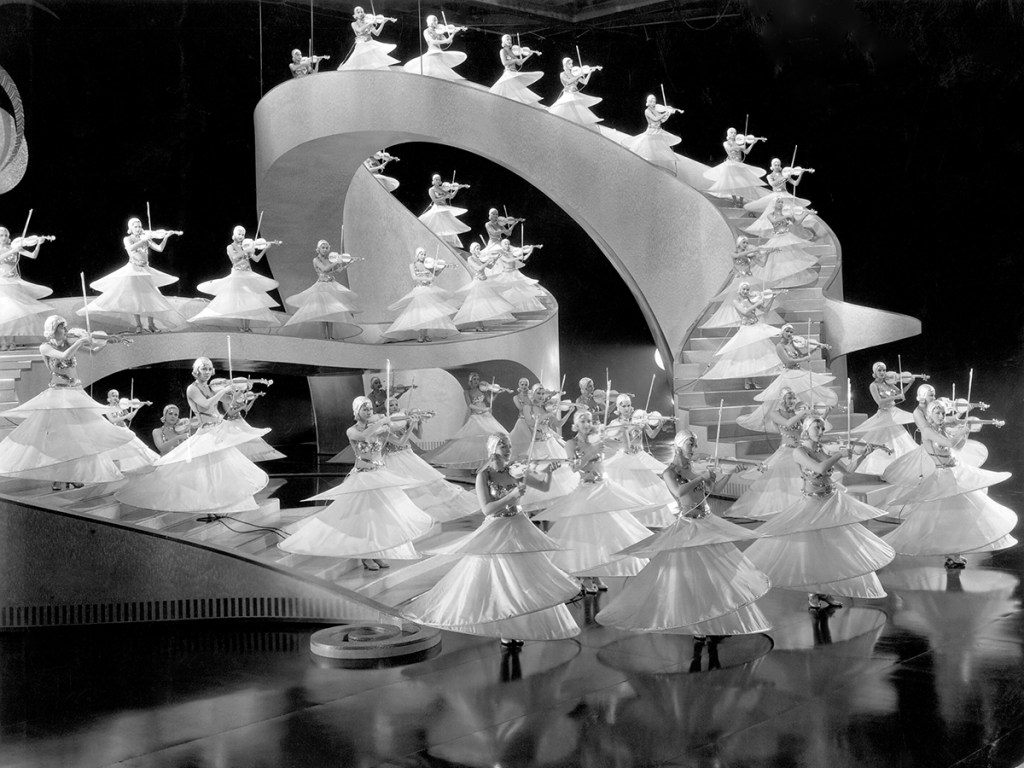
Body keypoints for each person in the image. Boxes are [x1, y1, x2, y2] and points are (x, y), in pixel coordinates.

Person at [403, 433, 579, 646]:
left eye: (509, 445)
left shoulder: (515, 469)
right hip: (498, 527)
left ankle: (519, 624)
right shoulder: (484, 475)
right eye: (503, 445)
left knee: (523, 579)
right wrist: (511, 496)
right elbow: (487, 509)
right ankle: (504, 626)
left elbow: (543, 487)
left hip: (518, 525)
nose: (508, 449)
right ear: (492, 448)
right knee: (500, 581)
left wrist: (548, 473)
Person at [596, 430, 772, 637]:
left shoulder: (693, 469)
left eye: (695, 444)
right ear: (679, 446)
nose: (694, 448)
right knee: (692, 578)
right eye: (691, 444)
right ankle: (697, 623)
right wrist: (701, 478)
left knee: (716, 574)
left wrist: (729, 473)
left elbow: (712, 490)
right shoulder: (669, 472)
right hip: (689, 526)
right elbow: (678, 492)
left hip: (706, 523)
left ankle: (713, 616)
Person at [744, 415, 896, 610]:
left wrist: (863, 455)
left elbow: (848, 471)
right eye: (817, 427)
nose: (821, 432)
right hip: (812, 503)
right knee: (813, 552)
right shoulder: (799, 451)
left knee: (830, 550)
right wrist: (839, 454)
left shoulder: (822, 450)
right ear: (806, 429)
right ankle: (813, 592)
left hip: (830, 501)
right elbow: (820, 468)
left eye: (823, 428)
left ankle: (825, 591)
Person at [278, 396, 434, 570]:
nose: (369, 412)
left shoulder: (380, 427)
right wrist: (382, 422)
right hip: (363, 477)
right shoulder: (352, 431)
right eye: (365, 409)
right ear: (356, 412)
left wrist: (411, 424)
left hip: (379, 475)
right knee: (364, 518)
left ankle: (376, 553)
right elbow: (365, 435)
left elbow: (400, 442)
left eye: (370, 409)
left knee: (379, 517)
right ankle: (365, 556)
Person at [115, 357, 271, 515]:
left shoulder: (210, 387)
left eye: (209, 369)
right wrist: (224, 390)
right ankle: (213, 506)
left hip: (218, 429)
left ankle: (221, 507)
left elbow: (229, 401)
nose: (207, 372)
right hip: (207, 431)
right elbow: (206, 404)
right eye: (204, 369)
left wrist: (240, 390)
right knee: (208, 472)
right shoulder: (192, 389)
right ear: (197, 371)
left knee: (224, 470)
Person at [0, 315, 134, 489]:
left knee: (78, 435)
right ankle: (59, 476)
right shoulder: (45, 347)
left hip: (75, 392)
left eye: (65, 327)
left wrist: (109, 340)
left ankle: (74, 474)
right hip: (58, 394)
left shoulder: (70, 341)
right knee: (60, 436)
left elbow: (93, 350)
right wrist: (81, 341)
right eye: (62, 327)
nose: (66, 330)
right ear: (53, 330)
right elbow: (64, 356)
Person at [882, 398, 1015, 570]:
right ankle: (952, 554)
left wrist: (966, 433)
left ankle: (955, 554)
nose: (941, 416)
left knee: (959, 516)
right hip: (942, 476)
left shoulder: (942, 429)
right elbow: (950, 443)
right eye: (937, 412)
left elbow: (957, 447)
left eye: (943, 413)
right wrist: (963, 429)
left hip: (954, 473)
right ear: (929, 415)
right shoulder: (927, 431)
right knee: (945, 518)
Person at [533, 410, 655, 594]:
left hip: (602, 488)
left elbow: (625, 447)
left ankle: (595, 572)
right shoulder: (571, 443)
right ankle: (584, 574)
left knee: (602, 533)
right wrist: (591, 451)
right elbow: (574, 467)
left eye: (589, 421)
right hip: (585, 489)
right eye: (583, 421)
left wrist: (625, 430)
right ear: (576, 424)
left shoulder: (597, 439)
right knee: (585, 535)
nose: (587, 424)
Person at [382, 396, 479, 522]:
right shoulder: (386, 423)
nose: (394, 407)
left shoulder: (404, 418)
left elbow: (419, 435)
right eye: (391, 405)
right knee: (402, 485)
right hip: (392, 457)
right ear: (386, 408)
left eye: (396, 404)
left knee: (420, 480)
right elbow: (399, 440)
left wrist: (419, 422)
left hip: (406, 453)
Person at [80, 217, 181, 334]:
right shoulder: (128, 239)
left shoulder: (145, 238)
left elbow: (160, 249)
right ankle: (139, 325)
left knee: (151, 296)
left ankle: (151, 325)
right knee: (135, 298)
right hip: (133, 270)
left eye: (139, 226)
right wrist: (143, 240)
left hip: (145, 270)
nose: (138, 228)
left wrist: (166, 237)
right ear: (131, 228)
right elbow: (130, 248)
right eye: (135, 226)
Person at [735, 322, 838, 433]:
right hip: (789, 374)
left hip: (798, 373)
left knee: (804, 397)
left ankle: (802, 422)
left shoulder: (792, 344)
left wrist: (814, 349)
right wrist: (804, 359)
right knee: (787, 399)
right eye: (787, 331)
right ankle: (788, 421)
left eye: (791, 332)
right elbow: (788, 361)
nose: (789, 333)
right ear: (782, 332)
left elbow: (801, 356)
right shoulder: (780, 346)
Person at [190, 226, 282, 332]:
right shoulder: (230, 247)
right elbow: (234, 259)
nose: (241, 236)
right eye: (239, 234)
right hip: (237, 275)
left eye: (243, 234)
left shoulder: (246, 246)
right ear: (234, 234)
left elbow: (256, 259)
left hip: (248, 275)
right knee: (240, 302)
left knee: (249, 302)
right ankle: (242, 327)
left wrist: (265, 248)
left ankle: (246, 327)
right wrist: (247, 250)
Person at [701, 282, 782, 390]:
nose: (746, 291)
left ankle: (753, 380)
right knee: (747, 355)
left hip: (755, 327)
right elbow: (745, 311)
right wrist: (757, 304)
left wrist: (771, 299)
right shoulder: (736, 301)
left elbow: (765, 310)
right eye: (744, 289)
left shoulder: (751, 299)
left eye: (747, 289)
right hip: (746, 329)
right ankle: (747, 381)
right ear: (740, 290)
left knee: (755, 355)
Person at [424, 373, 511, 470]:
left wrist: (497, 393)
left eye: (477, 379)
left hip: (486, 416)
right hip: (476, 416)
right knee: (471, 440)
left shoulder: (483, 390)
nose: (476, 381)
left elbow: (490, 400)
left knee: (494, 435)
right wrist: (484, 409)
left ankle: (489, 461)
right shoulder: (467, 392)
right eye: (474, 379)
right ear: (470, 381)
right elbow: (470, 405)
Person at [848, 362, 920, 475]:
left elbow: (900, 392)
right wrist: (896, 397)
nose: (882, 372)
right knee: (881, 440)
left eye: (884, 370)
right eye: (879, 370)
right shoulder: (873, 385)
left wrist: (910, 382)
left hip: (892, 413)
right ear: (874, 372)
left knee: (899, 440)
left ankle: (901, 467)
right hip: (883, 414)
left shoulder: (888, 382)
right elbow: (879, 401)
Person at [283, 240, 361, 340]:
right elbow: (324, 269)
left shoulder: (330, 259)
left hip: (331, 285)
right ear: (318, 249)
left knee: (331, 311)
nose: (325, 250)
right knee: (322, 312)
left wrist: (349, 263)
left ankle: (330, 336)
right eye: (323, 247)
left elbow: (338, 270)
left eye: (327, 248)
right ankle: (324, 336)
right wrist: (337, 261)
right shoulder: (316, 260)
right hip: (321, 287)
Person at [383, 247, 459, 343]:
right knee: (421, 313)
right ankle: (420, 335)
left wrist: (442, 268)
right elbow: (414, 277)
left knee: (428, 313)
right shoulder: (412, 265)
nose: (423, 256)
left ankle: (425, 335)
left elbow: (435, 274)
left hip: (428, 290)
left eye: (424, 254)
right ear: (417, 255)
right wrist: (428, 279)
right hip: (420, 290)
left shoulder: (427, 264)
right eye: (421, 254)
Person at [0, 225, 55, 351]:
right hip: (2, 284)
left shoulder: (14, 247)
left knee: (15, 314)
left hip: (14, 283)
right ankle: (3, 342)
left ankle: (12, 341)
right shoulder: (10, 249)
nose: (4, 238)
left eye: (6, 235)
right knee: (3, 314)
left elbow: (33, 256)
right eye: (1, 235)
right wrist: (13, 251)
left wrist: (38, 244)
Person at [452, 242, 516, 332]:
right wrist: (487, 262)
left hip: (484, 281)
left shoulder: (479, 258)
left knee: (486, 304)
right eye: (476, 248)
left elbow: (490, 266)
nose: (478, 250)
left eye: (479, 248)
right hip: (478, 283)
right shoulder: (470, 258)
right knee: (478, 305)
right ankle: (478, 325)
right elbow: (479, 268)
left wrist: (495, 258)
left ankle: (481, 325)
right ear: (472, 250)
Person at [742, 158, 813, 235]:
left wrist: (801, 174)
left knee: (789, 213)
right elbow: (773, 184)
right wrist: (784, 177)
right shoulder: (770, 176)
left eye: (778, 165)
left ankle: (788, 230)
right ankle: (775, 231)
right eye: (775, 165)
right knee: (774, 213)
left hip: (785, 195)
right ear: (772, 166)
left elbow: (795, 183)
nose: (777, 166)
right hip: (776, 196)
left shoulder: (784, 174)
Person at [702, 127, 769, 206]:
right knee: (732, 183)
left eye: (735, 132)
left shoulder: (739, 143)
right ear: (728, 134)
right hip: (731, 165)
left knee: (743, 183)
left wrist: (752, 143)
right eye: (732, 132)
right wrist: (741, 147)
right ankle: (735, 201)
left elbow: (746, 152)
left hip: (739, 164)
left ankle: (741, 201)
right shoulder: (726, 143)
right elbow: (730, 149)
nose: (734, 134)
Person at [620, 94, 682, 174]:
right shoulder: (647, 111)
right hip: (651, 132)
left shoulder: (656, 110)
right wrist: (664, 113)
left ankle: (655, 168)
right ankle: (645, 167)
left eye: (654, 101)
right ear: (648, 102)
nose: (654, 103)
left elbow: (661, 120)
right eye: (652, 101)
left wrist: (668, 113)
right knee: (648, 148)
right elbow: (655, 119)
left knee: (660, 149)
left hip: (658, 131)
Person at [402, 14, 467, 80]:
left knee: (439, 73)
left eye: (436, 21)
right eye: (434, 20)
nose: (436, 22)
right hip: (432, 51)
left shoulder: (439, 32)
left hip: (439, 52)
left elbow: (448, 41)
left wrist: (453, 33)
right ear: (430, 21)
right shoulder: (426, 31)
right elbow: (432, 41)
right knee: (430, 72)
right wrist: (446, 40)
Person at [490, 238, 545, 312]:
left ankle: (518, 309)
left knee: (521, 290)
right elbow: (507, 260)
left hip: (514, 273)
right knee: (507, 292)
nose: (507, 245)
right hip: (506, 274)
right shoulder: (500, 253)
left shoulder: (510, 253)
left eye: (508, 244)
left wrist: (530, 251)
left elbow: (524, 258)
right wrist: (518, 257)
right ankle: (507, 308)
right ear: (502, 245)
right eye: (505, 244)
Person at [548, 57, 603, 129]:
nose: (571, 65)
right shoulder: (562, 74)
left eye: (572, 63)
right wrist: (579, 75)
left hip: (575, 94)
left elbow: (585, 82)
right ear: (565, 64)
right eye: (569, 63)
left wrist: (590, 72)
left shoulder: (574, 73)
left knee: (578, 111)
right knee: (566, 111)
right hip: (568, 94)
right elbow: (569, 81)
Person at [418, 174, 471, 247]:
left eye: (439, 179)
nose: (438, 181)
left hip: (445, 209)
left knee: (448, 226)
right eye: (436, 179)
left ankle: (446, 245)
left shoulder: (443, 188)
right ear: (433, 181)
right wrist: (445, 197)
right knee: (438, 227)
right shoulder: (431, 190)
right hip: (438, 209)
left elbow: (451, 196)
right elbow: (435, 201)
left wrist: (457, 189)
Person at [488, 34, 543, 105]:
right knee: (513, 94)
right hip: (509, 73)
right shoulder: (502, 51)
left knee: (518, 94)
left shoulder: (512, 52)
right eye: (507, 39)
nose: (509, 41)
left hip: (514, 73)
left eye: (510, 39)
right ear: (504, 42)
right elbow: (504, 63)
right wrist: (514, 60)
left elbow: (520, 62)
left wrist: (529, 55)